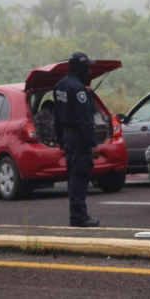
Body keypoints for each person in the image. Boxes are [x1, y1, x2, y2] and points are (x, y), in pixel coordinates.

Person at [53, 52, 101, 228]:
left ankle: (78, 214)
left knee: (73, 176)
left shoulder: (60, 86)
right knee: (80, 176)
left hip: (67, 137)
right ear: (80, 67)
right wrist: (93, 145)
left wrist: (60, 140)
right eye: (87, 67)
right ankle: (79, 217)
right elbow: (85, 121)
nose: (89, 70)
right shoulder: (78, 90)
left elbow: (57, 117)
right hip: (79, 138)